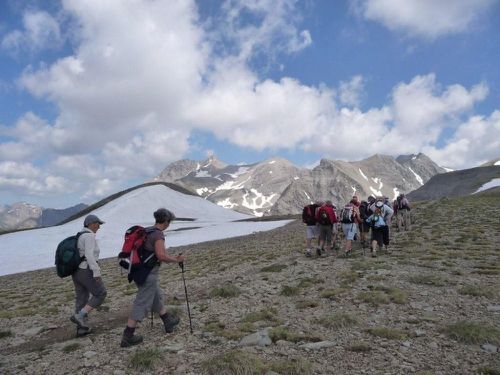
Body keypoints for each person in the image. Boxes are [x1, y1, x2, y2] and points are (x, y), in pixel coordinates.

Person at [121, 208, 185, 347]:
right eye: (170, 221)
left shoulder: (147, 231)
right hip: (148, 274)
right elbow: (161, 255)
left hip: (138, 272)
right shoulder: (158, 235)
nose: (170, 224)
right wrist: (176, 259)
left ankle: (168, 321)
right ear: (166, 221)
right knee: (142, 302)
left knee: (156, 295)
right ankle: (128, 336)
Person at [70, 214, 107, 337]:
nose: (99, 227)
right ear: (91, 224)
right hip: (86, 270)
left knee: (81, 297)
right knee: (101, 293)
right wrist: (96, 272)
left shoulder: (79, 235)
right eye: (98, 224)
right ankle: (79, 316)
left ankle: (81, 329)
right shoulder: (89, 236)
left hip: (76, 271)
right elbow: (90, 256)